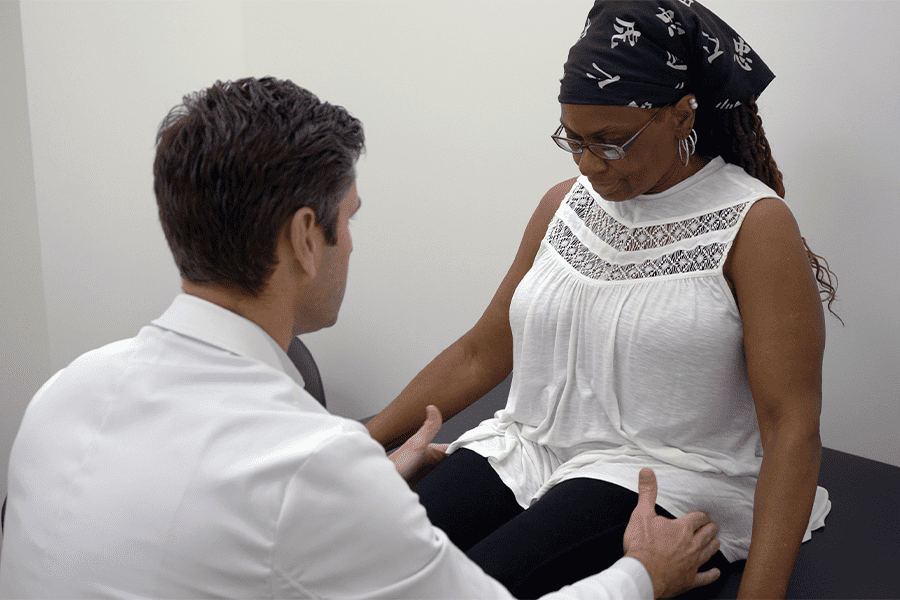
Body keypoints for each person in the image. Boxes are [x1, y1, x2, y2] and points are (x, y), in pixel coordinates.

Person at [0, 76, 722, 599]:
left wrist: (365, 476)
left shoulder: (65, 392)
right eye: (351, 218)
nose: (354, 246)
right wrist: (640, 577)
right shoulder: (310, 462)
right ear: (307, 239)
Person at [365, 2, 838, 598]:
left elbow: (791, 421)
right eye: (575, 140)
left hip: (661, 475)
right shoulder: (563, 204)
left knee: (468, 588)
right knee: (379, 555)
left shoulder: (753, 225)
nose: (589, 165)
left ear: (681, 114)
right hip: (527, 447)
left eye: (611, 143)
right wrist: (360, 444)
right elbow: (482, 352)